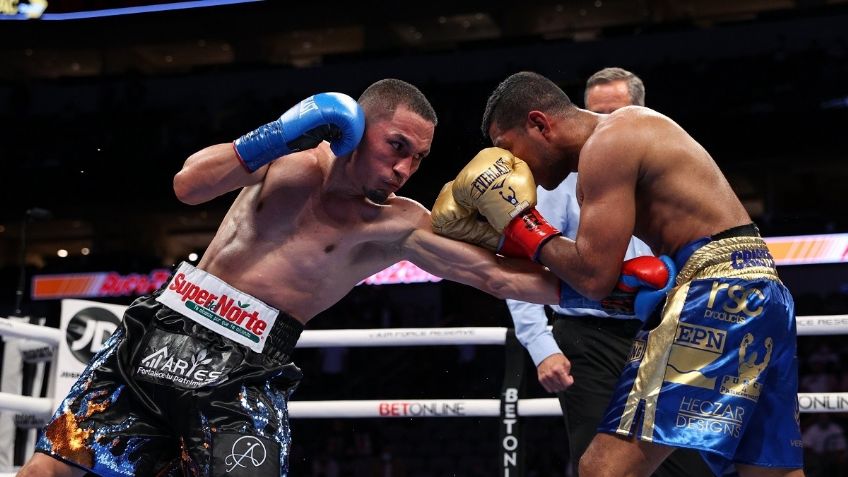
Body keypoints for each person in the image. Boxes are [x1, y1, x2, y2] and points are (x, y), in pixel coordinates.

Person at [19, 79, 565, 477]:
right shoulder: (288, 158)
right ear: (358, 127)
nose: (403, 169)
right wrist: (279, 134)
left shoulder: (395, 223)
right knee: (47, 470)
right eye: (396, 146)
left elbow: (495, 276)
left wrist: (597, 285)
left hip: (243, 370)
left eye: (418, 159)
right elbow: (188, 186)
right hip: (160, 333)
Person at [432, 71, 804, 476]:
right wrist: (497, 237)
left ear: (539, 124)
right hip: (759, 290)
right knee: (769, 471)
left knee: (603, 469)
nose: (513, 167)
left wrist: (520, 221)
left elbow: (593, 277)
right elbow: (586, 269)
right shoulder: (619, 141)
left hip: (716, 291)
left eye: (508, 148)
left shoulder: (607, 144)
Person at [505, 67, 712, 477]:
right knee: (600, 464)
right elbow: (523, 265)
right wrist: (542, 347)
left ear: (642, 114)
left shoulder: (664, 169)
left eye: (615, 112)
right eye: (595, 112)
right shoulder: (561, 180)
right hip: (589, 340)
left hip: (661, 331)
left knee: (688, 465)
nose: (604, 123)